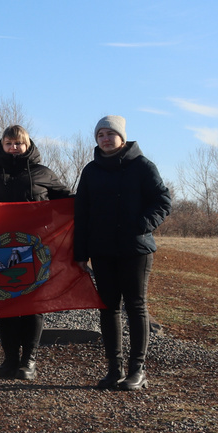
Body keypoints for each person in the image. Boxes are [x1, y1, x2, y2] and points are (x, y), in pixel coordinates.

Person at [74, 116, 171, 392]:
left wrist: (141, 225)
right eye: (100, 135)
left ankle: (137, 370)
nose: (105, 139)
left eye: (110, 134)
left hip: (135, 250)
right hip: (102, 250)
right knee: (108, 308)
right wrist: (81, 251)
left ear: (122, 137)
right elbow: (82, 214)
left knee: (135, 306)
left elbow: (162, 201)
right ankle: (114, 369)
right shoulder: (91, 171)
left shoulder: (142, 166)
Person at [0, 124, 73, 380]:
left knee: (33, 304)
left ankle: (28, 361)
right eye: (9, 143)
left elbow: (65, 201)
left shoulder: (42, 173)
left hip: (35, 249)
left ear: (28, 145)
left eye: (19, 144)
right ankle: (9, 359)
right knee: (4, 303)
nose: (14, 148)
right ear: (2, 144)